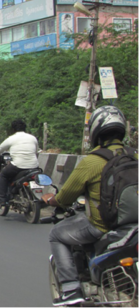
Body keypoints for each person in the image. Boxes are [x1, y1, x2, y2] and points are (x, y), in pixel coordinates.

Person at [41, 106, 136, 306]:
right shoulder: (134, 156)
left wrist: (51, 200)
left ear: (96, 132)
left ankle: (70, 290)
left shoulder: (92, 162)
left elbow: (66, 196)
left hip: (103, 225)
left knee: (57, 235)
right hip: (133, 226)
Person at [0, 119, 39, 206]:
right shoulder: (33, 138)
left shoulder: (11, 139)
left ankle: (2, 200)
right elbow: (36, 151)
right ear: (25, 128)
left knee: (4, 175)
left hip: (18, 165)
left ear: (13, 129)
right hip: (34, 166)